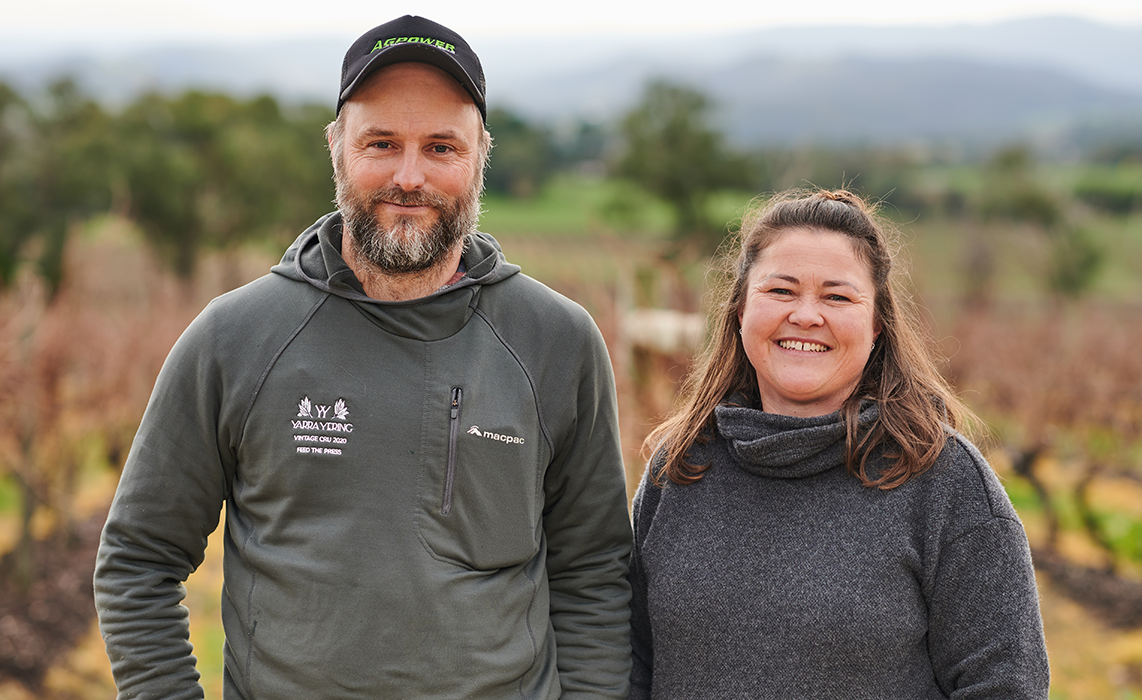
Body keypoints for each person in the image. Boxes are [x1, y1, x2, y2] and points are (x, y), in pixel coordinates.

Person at [93, 15, 632, 700]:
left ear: (479, 157)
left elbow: (594, 574)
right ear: (337, 148)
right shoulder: (235, 338)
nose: (410, 176)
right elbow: (139, 559)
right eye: (382, 143)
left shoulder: (557, 342)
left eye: (442, 147)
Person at [629, 189, 1050, 699]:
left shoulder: (943, 482)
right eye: (781, 291)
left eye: (837, 296)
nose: (806, 316)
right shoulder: (679, 468)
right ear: (740, 310)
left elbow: (1007, 687)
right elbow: (631, 669)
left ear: (875, 325)